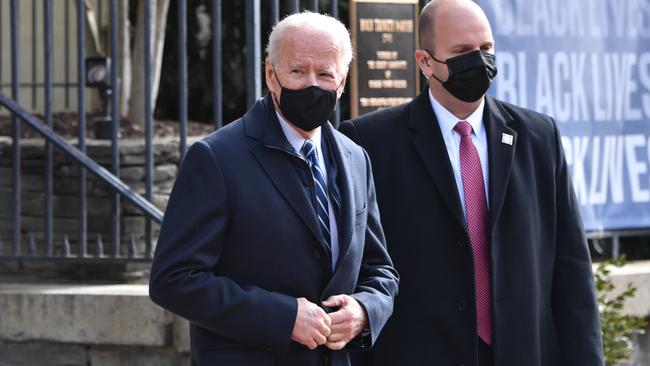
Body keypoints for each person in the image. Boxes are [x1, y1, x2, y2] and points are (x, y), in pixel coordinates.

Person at [339, 0, 603, 365]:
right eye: (463, 52)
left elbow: (571, 267)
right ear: (425, 62)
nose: (479, 61)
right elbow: (361, 266)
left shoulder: (538, 136)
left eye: (486, 49)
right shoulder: (372, 142)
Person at [149, 12, 398, 366]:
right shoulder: (217, 158)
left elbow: (380, 269)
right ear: (271, 74)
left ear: (342, 82)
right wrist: (282, 317)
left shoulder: (355, 157)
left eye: (325, 74)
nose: (312, 84)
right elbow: (173, 280)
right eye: (297, 71)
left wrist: (365, 310)